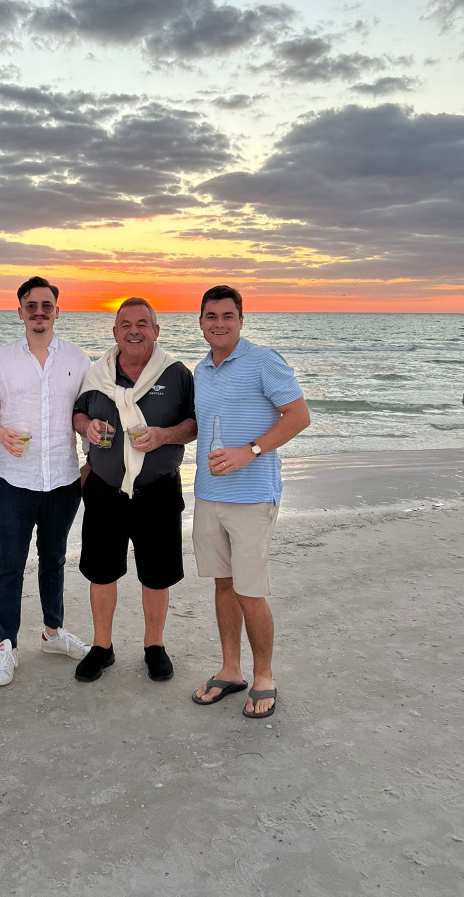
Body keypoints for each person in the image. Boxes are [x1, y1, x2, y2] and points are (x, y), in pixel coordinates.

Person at [191, 285, 310, 719]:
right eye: (211, 316)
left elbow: (299, 415)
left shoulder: (264, 360)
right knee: (222, 585)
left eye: (227, 315)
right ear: (200, 321)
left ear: (241, 320)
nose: (219, 323)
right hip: (208, 494)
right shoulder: (201, 371)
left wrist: (251, 451)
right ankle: (230, 670)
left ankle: (264, 677)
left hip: (253, 496)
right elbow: (197, 426)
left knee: (250, 591)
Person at [72, 298, 197, 683]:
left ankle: (154, 646)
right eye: (125, 324)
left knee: (156, 576)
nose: (134, 330)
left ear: (156, 331)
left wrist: (165, 436)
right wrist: (86, 427)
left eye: (143, 323)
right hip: (105, 490)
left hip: (158, 491)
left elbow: (194, 424)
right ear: (115, 333)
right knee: (101, 573)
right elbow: (78, 412)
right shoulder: (98, 373)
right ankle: (102, 647)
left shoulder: (175, 373)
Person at [0, 277, 91, 686]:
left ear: (58, 311)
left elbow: (88, 416)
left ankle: (53, 633)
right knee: (9, 565)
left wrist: (89, 467)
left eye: (46, 305)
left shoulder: (79, 360)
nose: (38, 312)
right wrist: (0, 434)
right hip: (14, 480)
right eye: (31, 305)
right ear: (19, 311)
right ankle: (7, 645)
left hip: (63, 480)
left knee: (54, 560)